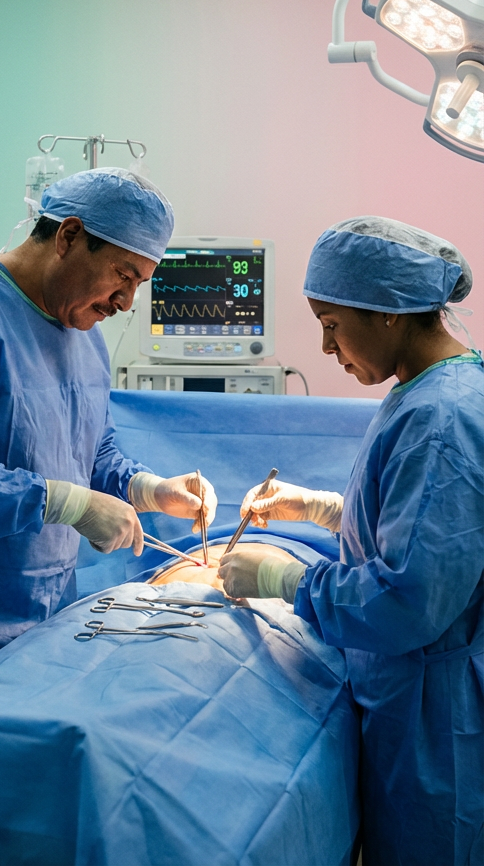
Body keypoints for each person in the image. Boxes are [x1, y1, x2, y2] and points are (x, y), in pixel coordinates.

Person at [217, 217, 484, 866]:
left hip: (438, 724)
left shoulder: (442, 416)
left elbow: (409, 598)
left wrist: (285, 579)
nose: (326, 346)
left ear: (388, 312)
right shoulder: (432, 392)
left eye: (332, 324)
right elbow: (434, 528)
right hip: (417, 699)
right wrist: (323, 509)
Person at [0, 168, 218, 692]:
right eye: (123, 276)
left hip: (48, 622)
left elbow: (91, 453)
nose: (126, 303)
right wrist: (66, 503)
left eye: (139, 285)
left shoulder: (83, 330)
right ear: (69, 236)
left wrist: (150, 489)